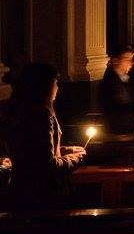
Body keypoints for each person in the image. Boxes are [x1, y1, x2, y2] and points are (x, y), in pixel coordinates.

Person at [0, 63, 85, 209]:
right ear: (43, 86)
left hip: (20, 189)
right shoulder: (40, 115)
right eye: (55, 83)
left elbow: (34, 151)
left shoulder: (17, 110)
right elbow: (45, 165)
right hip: (43, 194)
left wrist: (66, 150)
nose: (57, 87)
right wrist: (75, 158)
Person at [99, 46, 134, 139]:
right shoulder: (111, 82)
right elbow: (116, 106)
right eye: (126, 59)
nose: (131, 63)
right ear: (116, 60)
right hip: (116, 132)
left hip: (126, 128)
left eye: (131, 59)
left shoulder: (125, 79)